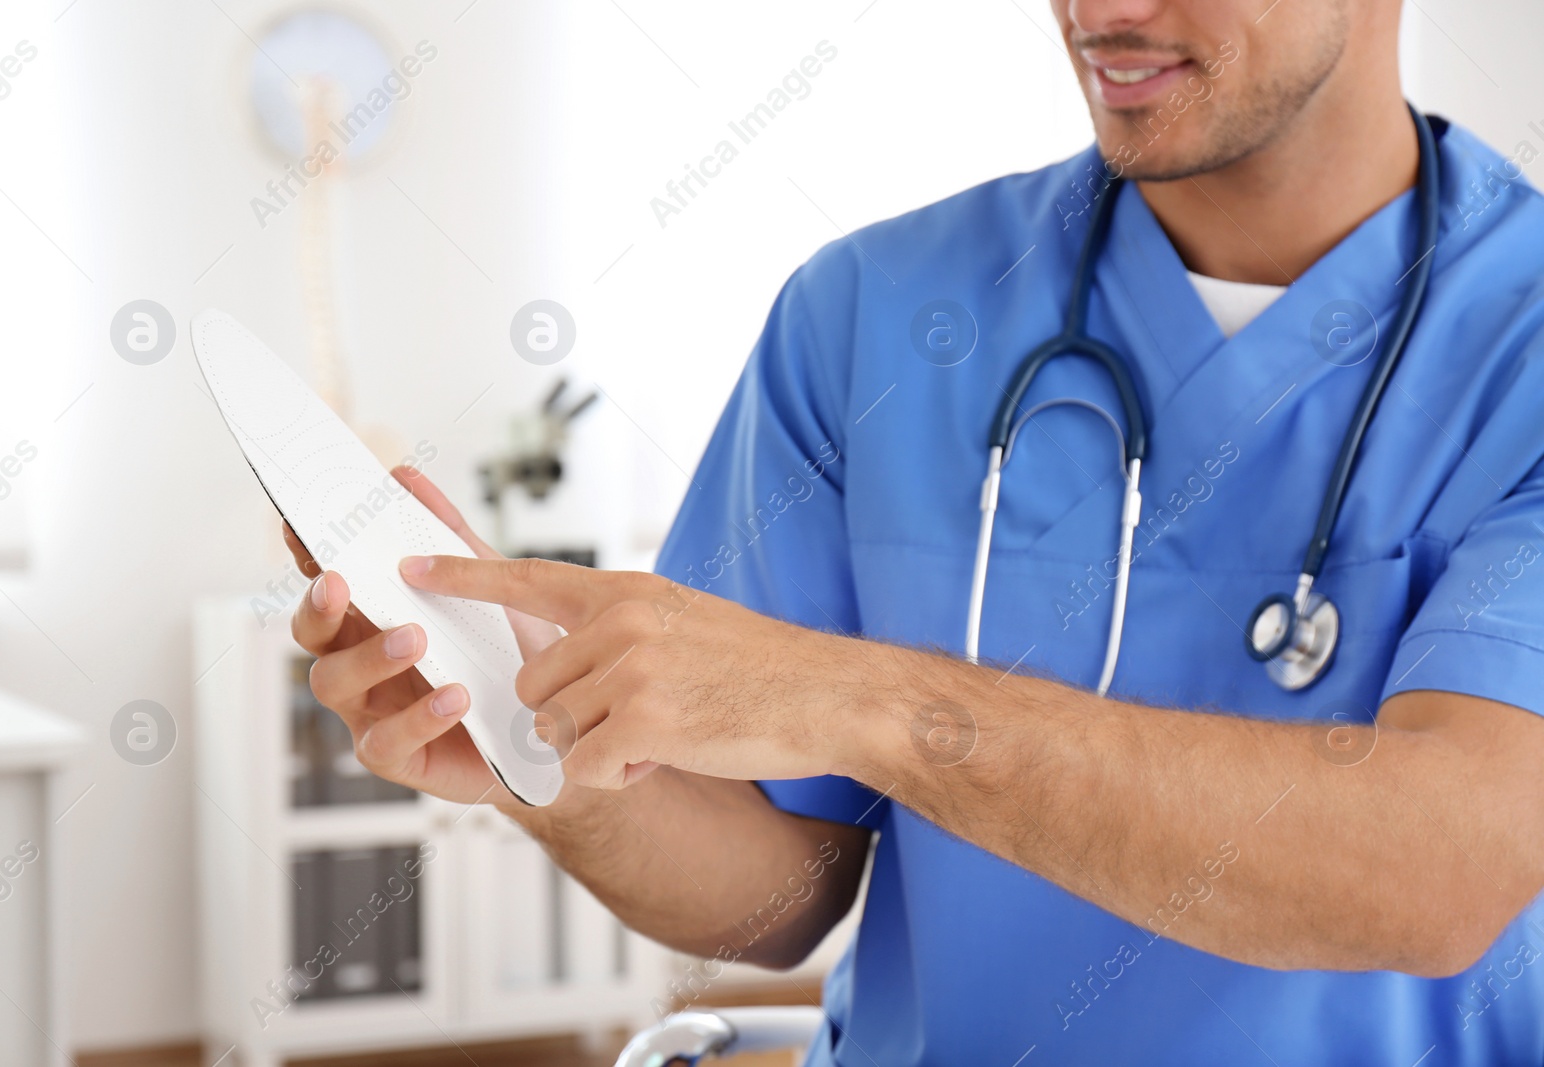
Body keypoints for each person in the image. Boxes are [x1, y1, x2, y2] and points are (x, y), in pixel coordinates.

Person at [287, 0, 1544, 1061]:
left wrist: (870, 703)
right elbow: (776, 893)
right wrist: (533, 736)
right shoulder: (872, 316)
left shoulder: (1520, 340)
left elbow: (1432, 869)